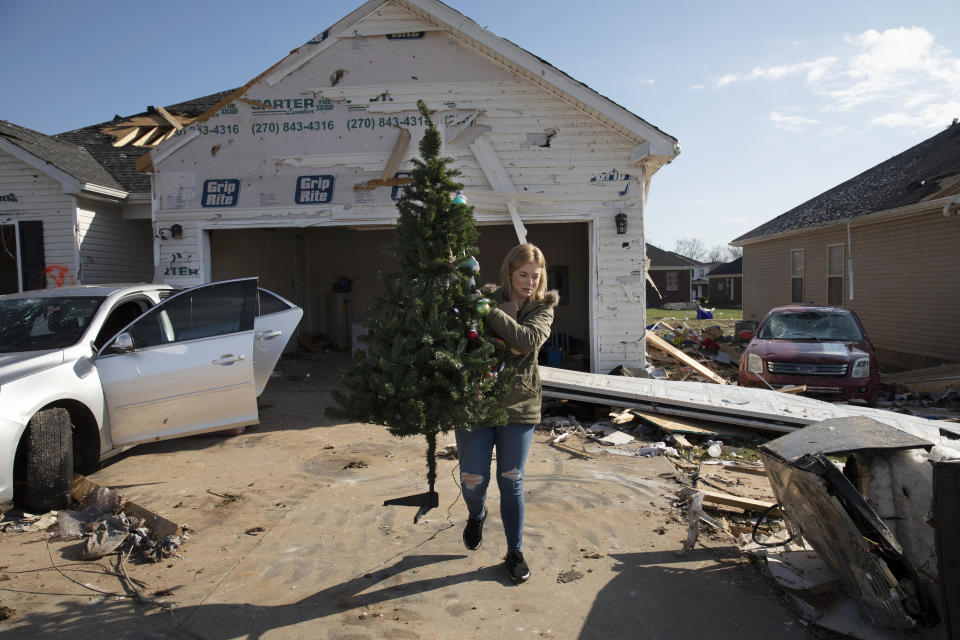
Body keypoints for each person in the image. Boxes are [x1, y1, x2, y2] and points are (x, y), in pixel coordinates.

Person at [455, 243, 558, 584]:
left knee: (511, 480)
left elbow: (526, 341)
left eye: (535, 276)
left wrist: (489, 313)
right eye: (523, 275)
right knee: (473, 478)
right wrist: (485, 311)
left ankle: (514, 551)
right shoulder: (487, 296)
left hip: (519, 405)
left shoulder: (543, 307)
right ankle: (476, 513)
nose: (530, 282)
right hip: (477, 401)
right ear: (510, 273)